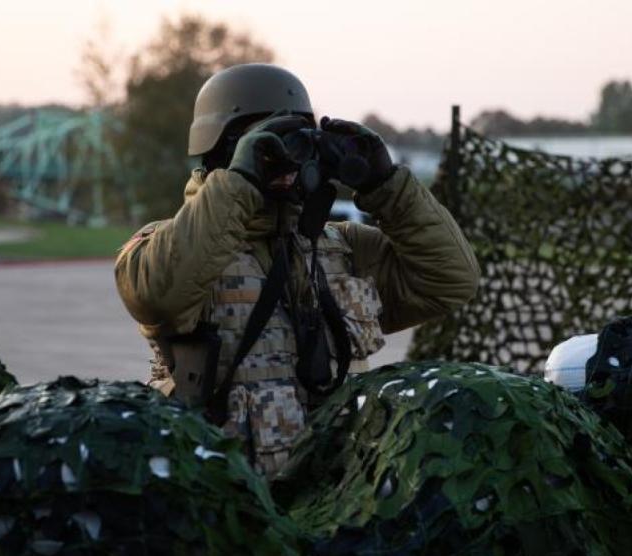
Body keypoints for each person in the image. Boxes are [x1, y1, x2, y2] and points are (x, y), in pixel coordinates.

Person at [115, 63, 479, 476]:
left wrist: (387, 184)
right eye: (268, 144)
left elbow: (451, 279)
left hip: (340, 493)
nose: (285, 160)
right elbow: (158, 295)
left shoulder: (341, 247)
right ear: (221, 148)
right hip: (223, 494)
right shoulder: (165, 245)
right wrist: (240, 183)